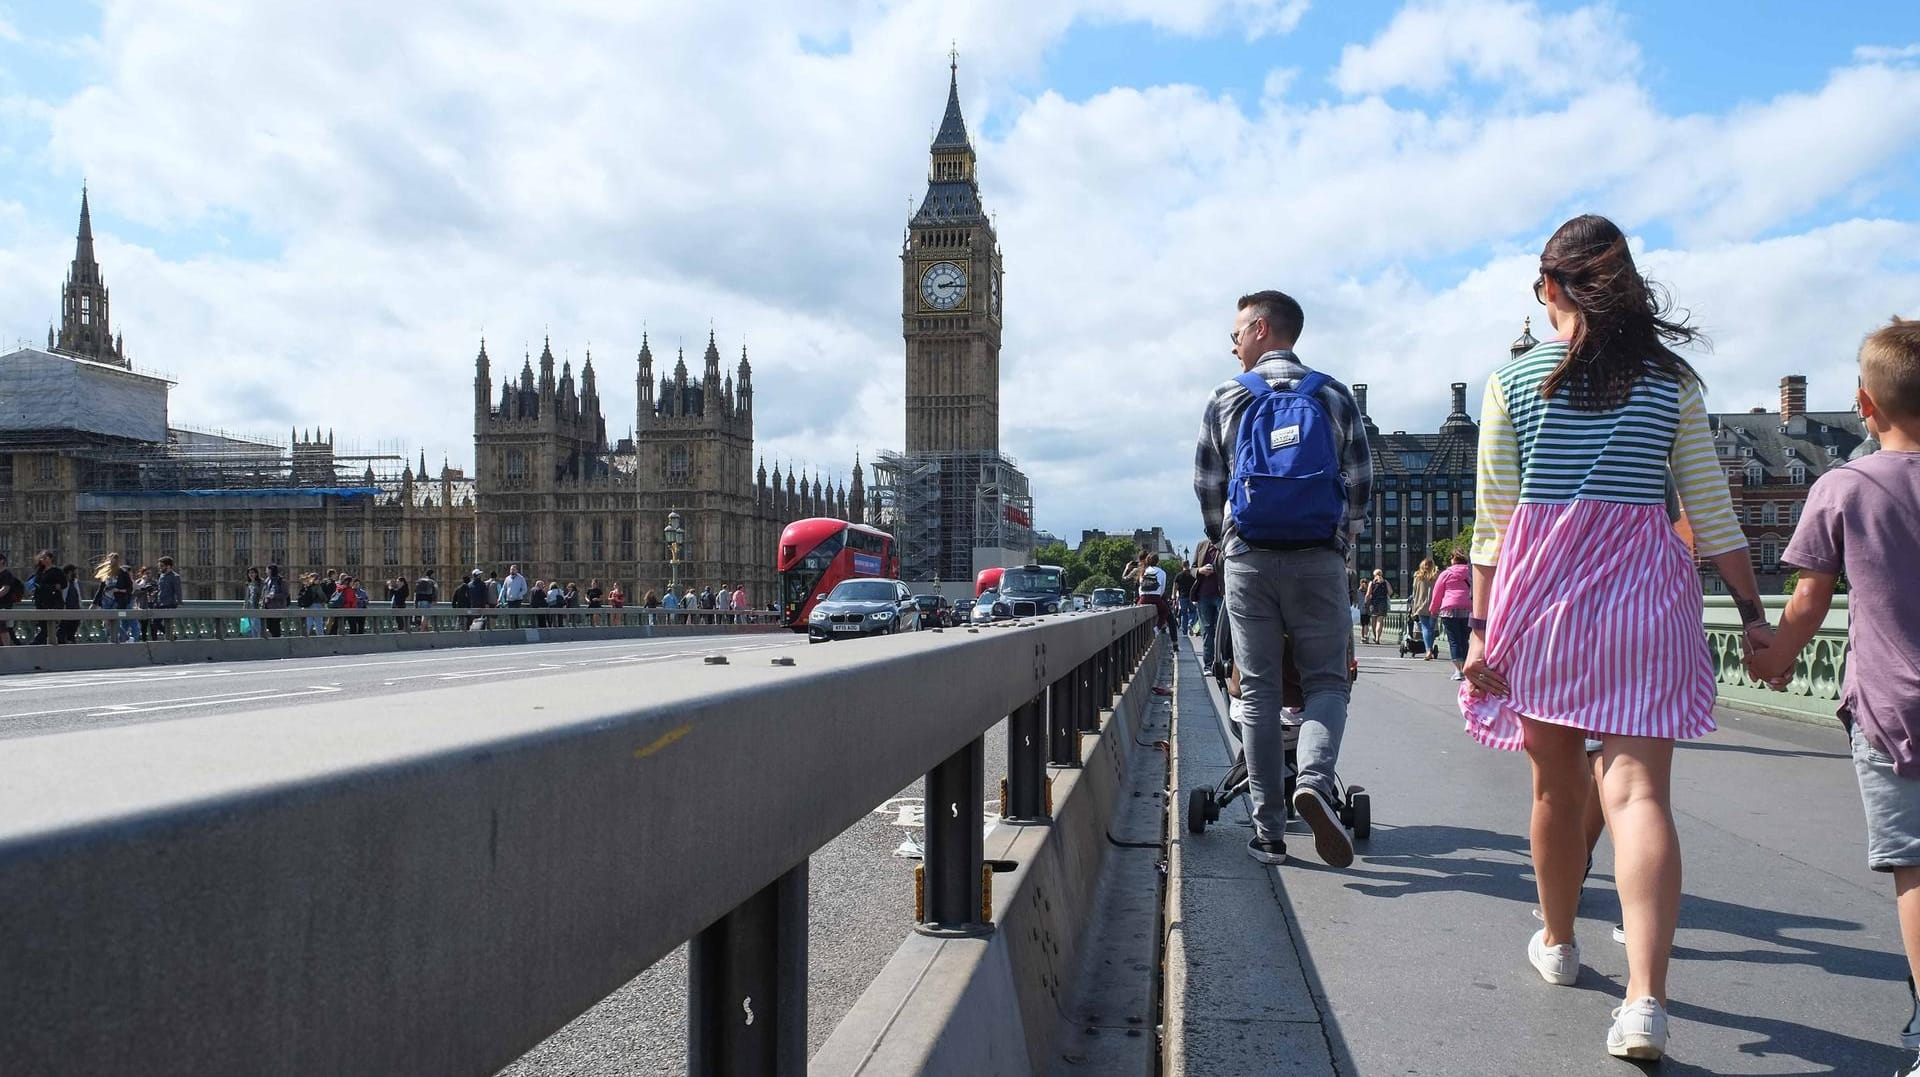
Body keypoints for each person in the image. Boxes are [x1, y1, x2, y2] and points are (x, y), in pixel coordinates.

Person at [1459, 215, 1770, 1062]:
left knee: (1557, 792)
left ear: (1552, 286)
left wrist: (1481, 631)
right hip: (1645, 600)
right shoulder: (1673, 382)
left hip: (1544, 602)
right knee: (1638, 796)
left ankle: (1558, 942)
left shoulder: (1511, 384)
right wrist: (1751, 614)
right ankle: (1644, 1001)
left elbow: (1493, 526)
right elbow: (1712, 514)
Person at [1747, 316, 1920, 1071]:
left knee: (1915, 866)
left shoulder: (1842, 485)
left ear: (1864, 404)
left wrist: (1776, 654)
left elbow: (1811, 599)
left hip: (1892, 708)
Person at [1194, 288, 1372, 870]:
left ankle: (1269, 832)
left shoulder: (1226, 398)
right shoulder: (1333, 393)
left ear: (1263, 328)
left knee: (1260, 692)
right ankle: (1316, 780)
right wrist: (1342, 544)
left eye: (1238, 331)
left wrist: (1226, 544)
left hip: (1249, 558)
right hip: (1318, 556)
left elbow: (1208, 483)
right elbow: (1360, 480)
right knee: (1325, 681)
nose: (1233, 341)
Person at [1430, 552, 1474, 681]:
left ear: (1453, 559)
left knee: (1454, 640)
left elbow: (1437, 592)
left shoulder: (1446, 574)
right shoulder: (1472, 573)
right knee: (1465, 639)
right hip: (1468, 608)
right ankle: (1466, 668)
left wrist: (1433, 609)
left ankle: (1458, 671)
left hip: (1449, 609)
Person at [1133, 553, 1177, 649]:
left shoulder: (1144, 571)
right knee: (1165, 611)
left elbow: (1141, 584)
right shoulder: (1162, 572)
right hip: (1156, 597)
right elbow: (1162, 589)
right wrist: (1157, 596)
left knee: (1137, 613)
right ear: (1158, 561)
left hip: (1143, 597)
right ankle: (1157, 628)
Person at [1192, 539, 1223, 671]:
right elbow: (1192, 569)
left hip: (1221, 594)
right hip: (1203, 595)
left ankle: (1224, 663)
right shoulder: (1201, 545)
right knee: (1207, 631)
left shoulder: (1225, 544)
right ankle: (1208, 665)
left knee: (1224, 631)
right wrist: (1200, 570)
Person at [96, 553, 136, 643]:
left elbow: (130, 588)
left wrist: (119, 590)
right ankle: (120, 638)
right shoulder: (106, 573)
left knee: (113, 620)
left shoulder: (123, 573)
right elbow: (101, 589)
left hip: (117, 601)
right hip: (106, 601)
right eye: (110, 560)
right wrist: (94, 603)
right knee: (106, 623)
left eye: (114, 560)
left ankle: (121, 638)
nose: (111, 562)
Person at [30, 552, 65, 645]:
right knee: (43, 625)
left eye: (45, 558)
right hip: (40, 601)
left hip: (53, 601)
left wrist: (50, 587)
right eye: (42, 558)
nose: (43, 560)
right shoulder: (39, 571)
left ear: (51, 559)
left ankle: (35, 644)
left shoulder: (57, 571)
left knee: (48, 626)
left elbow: (63, 584)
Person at [1408, 557, 1440, 660]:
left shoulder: (1418, 576)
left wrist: (1414, 607)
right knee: (1431, 628)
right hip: (1434, 605)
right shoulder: (1436, 576)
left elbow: (1414, 592)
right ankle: (1429, 648)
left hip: (1421, 606)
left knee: (1425, 628)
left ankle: (1428, 650)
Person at [1362, 569, 1393, 646]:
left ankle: (1375, 636)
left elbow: (1368, 594)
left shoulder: (1372, 583)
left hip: (1374, 603)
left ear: (1374, 575)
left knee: (1373, 621)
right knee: (1380, 621)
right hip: (1383, 603)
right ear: (1381, 574)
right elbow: (1390, 592)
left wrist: (1366, 603)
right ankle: (1377, 639)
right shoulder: (1385, 582)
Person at [154, 556, 182, 641]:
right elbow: (160, 589)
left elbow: (178, 591)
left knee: (168, 623)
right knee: (155, 623)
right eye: (159, 566)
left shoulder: (175, 576)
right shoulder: (161, 576)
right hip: (160, 603)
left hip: (169, 603)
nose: (160, 568)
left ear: (168, 566)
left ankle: (170, 639)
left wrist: (179, 602)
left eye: (162, 566)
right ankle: (172, 637)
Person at [260, 564, 290, 637]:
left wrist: (274, 596)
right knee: (268, 626)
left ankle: (277, 642)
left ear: (271, 571)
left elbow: (285, 594)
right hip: (267, 607)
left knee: (275, 626)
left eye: (267, 570)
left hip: (277, 607)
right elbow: (263, 592)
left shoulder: (281, 581)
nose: (266, 572)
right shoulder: (267, 580)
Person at [58, 563, 82, 644]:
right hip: (66, 610)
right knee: (63, 630)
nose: (75, 574)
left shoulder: (75, 582)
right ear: (68, 572)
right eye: (73, 572)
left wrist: (80, 607)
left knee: (73, 630)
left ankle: (71, 641)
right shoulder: (63, 583)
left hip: (75, 610)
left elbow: (78, 596)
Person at [1174, 559, 1198, 636]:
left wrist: (1174, 596)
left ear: (1182, 565)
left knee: (1183, 614)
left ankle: (1184, 632)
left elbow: (1175, 587)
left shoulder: (1178, 575)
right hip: (1192, 596)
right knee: (1193, 612)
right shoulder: (1192, 574)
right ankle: (1190, 623)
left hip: (1182, 596)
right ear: (1188, 565)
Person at [0, 553, 19, 645]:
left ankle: (8, 648)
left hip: (4, 604)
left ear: (2, 561)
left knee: (2, 627)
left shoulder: (7, 574)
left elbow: (5, 589)